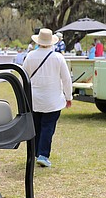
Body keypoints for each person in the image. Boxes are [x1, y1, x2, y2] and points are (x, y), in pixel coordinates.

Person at [22, 28, 72, 168]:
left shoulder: (30, 56)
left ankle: (35, 153)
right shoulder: (58, 57)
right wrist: (69, 96)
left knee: (36, 127)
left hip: (34, 99)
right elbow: (66, 79)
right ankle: (43, 154)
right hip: (53, 100)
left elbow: (23, 77)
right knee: (48, 127)